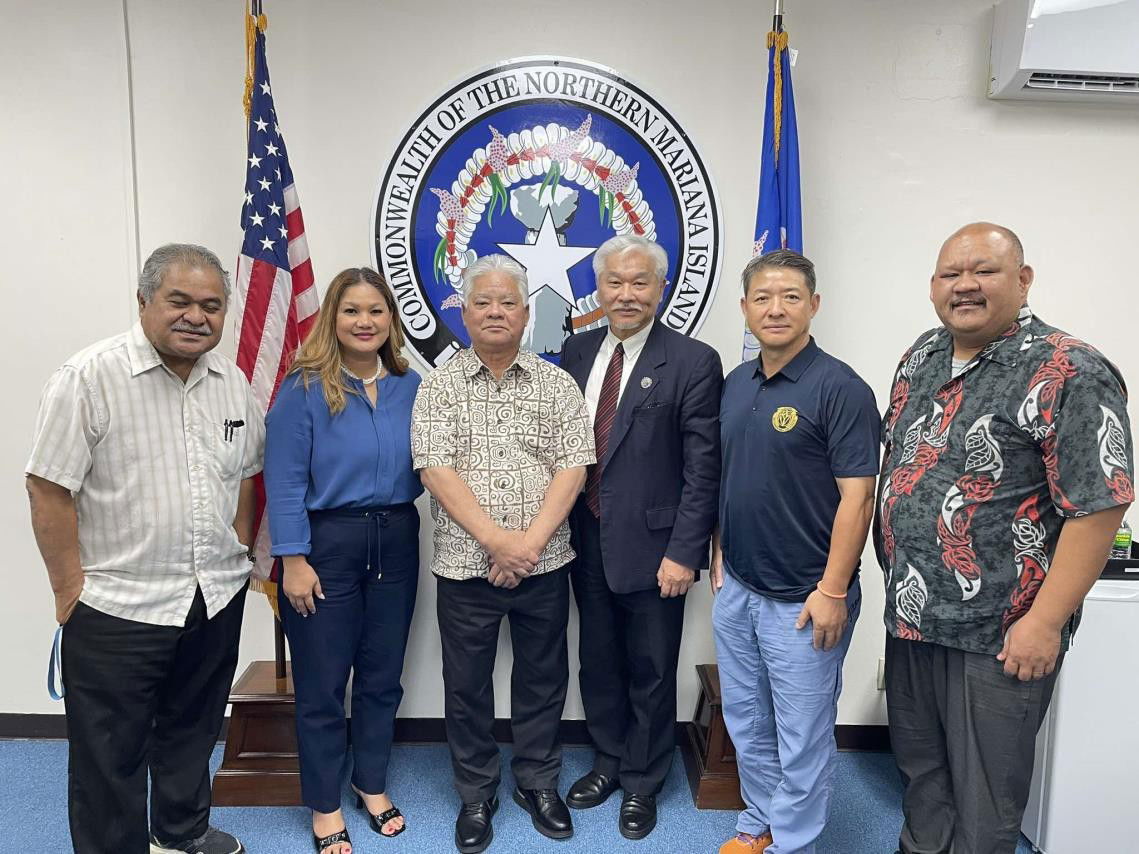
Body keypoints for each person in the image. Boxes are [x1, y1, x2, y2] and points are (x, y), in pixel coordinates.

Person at [876, 223, 1134, 854]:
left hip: (1001, 631)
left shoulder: (1069, 368)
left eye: (983, 270)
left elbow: (1099, 507)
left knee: (987, 798)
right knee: (922, 776)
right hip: (915, 618)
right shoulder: (924, 354)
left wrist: (1045, 622)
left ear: (1023, 280)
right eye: (949, 274)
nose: (964, 285)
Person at [25, 244, 261, 854]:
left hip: (212, 597)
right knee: (110, 756)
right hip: (117, 605)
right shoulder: (89, 377)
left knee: (193, 729)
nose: (196, 317)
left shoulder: (231, 383)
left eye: (211, 306)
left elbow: (244, 478)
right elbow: (48, 488)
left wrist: (236, 549)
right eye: (179, 301)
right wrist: (68, 592)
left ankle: (179, 832)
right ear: (143, 301)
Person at [411, 254, 595, 854]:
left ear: (526, 313)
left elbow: (574, 467)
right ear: (464, 313)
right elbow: (435, 470)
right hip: (466, 566)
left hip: (545, 562)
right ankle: (476, 793)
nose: (494, 311)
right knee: (466, 685)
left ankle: (539, 782)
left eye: (507, 302)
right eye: (482, 302)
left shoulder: (557, 384)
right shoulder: (439, 385)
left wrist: (530, 544)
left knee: (542, 679)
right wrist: (499, 543)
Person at [713, 250, 880, 854]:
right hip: (740, 589)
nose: (775, 308)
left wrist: (833, 590)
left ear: (814, 304)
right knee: (747, 723)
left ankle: (794, 843)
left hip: (807, 599)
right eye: (762, 297)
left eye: (789, 296)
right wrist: (720, 555)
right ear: (745, 309)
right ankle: (757, 824)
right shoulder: (737, 384)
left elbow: (857, 500)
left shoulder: (841, 388)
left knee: (802, 735)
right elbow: (728, 476)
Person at [559, 235, 722, 840]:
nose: (626, 295)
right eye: (615, 283)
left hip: (658, 551)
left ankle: (643, 781)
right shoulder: (574, 352)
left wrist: (686, 552)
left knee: (651, 669)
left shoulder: (692, 361)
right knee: (596, 661)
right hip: (583, 541)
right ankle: (606, 761)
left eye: (639, 283)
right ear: (599, 289)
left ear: (661, 287)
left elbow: (704, 469)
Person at [265, 267, 422, 854]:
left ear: (391, 320)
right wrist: (292, 559)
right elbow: (280, 480)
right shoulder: (303, 387)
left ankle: (370, 783)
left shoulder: (411, 384)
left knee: (382, 676)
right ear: (333, 318)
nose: (365, 322)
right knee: (325, 683)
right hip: (323, 546)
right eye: (352, 310)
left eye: (376, 311)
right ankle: (325, 804)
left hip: (397, 538)